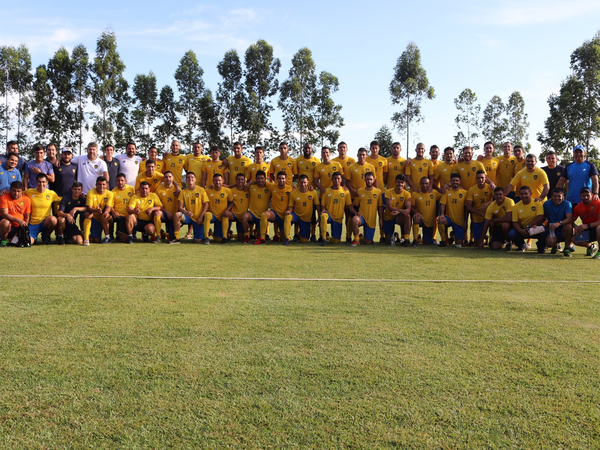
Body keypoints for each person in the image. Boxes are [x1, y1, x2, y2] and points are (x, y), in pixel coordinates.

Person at [255, 171, 293, 245]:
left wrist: (310, 188)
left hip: (284, 216)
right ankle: (262, 238)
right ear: (276, 179)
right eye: (279, 178)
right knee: (264, 215)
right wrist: (249, 183)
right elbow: (261, 181)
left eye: (283, 178)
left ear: (286, 179)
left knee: (282, 239)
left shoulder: (290, 189)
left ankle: (279, 235)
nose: (281, 180)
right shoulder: (272, 186)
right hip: (274, 214)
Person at [24, 173, 60, 244]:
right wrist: (6, 193)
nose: (41, 184)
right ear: (36, 182)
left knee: (53, 220)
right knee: (29, 242)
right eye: (39, 182)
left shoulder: (51, 193)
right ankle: (33, 238)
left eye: (43, 182)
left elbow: (62, 200)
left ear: (47, 182)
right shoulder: (29, 192)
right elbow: (18, 195)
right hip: (33, 223)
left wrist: (77, 196)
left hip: (45, 222)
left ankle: (46, 235)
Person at [283, 174, 320, 245]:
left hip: (306, 219)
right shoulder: (293, 193)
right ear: (298, 183)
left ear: (308, 182)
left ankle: (301, 234)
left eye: (304, 182)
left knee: (304, 241)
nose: (303, 184)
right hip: (296, 216)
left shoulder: (313, 192)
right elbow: (291, 206)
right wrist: (289, 211)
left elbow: (317, 205)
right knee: (288, 216)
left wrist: (319, 216)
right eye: (301, 182)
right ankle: (287, 239)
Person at [508, 186, 546, 253]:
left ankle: (541, 246)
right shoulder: (516, 206)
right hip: (522, 228)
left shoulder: (537, 203)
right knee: (512, 234)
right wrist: (521, 230)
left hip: (534, 227)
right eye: (522, 194)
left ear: (530, 194)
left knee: (545, 231)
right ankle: (521, 245)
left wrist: (529, 226)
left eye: (526, 193)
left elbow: (540, 216)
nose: (524, 196)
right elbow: (515, 221)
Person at [174, 172, 209, 244]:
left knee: (197, 241)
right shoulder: (183, 192)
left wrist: (201, 217)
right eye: (188, 177)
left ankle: (207, 232)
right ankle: (177, 238)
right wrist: (185, 212)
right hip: (188, 217)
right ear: (186, 180)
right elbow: (180, 207)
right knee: (177, 215)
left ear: (195, 179)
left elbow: (206, 204)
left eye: (192, 177)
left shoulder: (201, 190)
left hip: (198, 218)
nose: (190, 179)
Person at [319, 171, 352, 246]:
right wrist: (323, 210)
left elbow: (349, 205)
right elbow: (323, 205)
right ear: (332, 180)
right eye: (334, 178)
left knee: (336, 241)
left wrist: (355, 212)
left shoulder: (346, 191)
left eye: (338, 178)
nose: (336, 180)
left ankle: (328, 237)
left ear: (341, 180)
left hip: (338, 218)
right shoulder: (326, 191)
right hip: (329, 215)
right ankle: (323, 238)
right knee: (324, 216)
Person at [350, 172, 382, 246]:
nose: (369, 181)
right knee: (355, 219)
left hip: (371, 219)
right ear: (364, 180)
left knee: (368, 242)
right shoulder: (360, 191)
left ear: (373, 180)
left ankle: (361, 238)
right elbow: (354, 204)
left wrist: (380, 219)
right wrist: (354, 211)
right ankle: (356, 240)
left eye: (370, 179)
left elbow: (380, 207)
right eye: (367, 179)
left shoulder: (378, 192)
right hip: (362, 216)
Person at [82, 176, 115, 245]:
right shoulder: (90, 193)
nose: (101, 186)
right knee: (96, 240)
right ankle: (85, 238)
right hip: (94, 216)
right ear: (96, 184)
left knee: (105, 215)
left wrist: (106, 212)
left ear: (106, 185)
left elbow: (109, 207)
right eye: (99, 184)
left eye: (103, 184)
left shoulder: (110, 193)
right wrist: (96, 211)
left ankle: (107, 237)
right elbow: (88, 208)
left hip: (103, 216)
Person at [241, 170, 272, 244]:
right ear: (256, 179)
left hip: (262, 217)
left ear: (265, 178)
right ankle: (247, 236)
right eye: (258, 178)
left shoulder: (269, 188)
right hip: (252, 214)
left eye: (262, 178)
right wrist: (250, 183)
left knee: (259, 236)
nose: (260, 180)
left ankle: (256, 233)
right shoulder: (251, 187)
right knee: (244, 217)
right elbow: (239, 184)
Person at [439, 173, 468, 248]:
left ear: (460, 182)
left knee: (459, 245)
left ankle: (453, 236)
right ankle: (443, 240)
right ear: (451, 182)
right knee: (440, 220)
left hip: (459, 222)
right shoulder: (447, 191)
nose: (455, 182)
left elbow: (466, 208)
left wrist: (465, 221)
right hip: (449, 218)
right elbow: (442, 204)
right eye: (453, 180)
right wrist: (442, 214)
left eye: (457, 181)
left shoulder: (464, 193)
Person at [410, 176, 441, 246]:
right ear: (419, 184)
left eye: (426, 183)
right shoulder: (415, 194)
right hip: (421, 219)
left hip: (430, 222)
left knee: (427, 243)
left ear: (429, 184)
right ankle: (415, 240)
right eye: (423, 183)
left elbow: (444, 197)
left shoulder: (434, 193)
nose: (424, 185)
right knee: (416, 218)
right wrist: (415, 212)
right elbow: (411, 207)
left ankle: (420, 237)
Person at [466, 170, 494, 248]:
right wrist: (481, 213)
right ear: (476, 179)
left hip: (490, 216)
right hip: (477, 217)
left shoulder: (490, 187)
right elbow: (468, 207)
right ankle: (484, 238)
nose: (480, 180)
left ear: (486, 178)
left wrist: (488, 203)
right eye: (478, 178)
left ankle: (492, 240)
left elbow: (499, 200)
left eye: (482, 178)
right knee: (478, 244)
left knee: (493, 225)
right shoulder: (472, 190)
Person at [543, 188, 574, 257]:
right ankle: (555, 246)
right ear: (551, 196)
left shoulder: (567, 204)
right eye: (555, 196)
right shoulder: (547, 204)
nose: (557, 198)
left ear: (563, 196)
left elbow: (569, 218)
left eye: (559, 196)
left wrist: (559, 223)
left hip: (563, 229)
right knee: (549, 242)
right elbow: (543, 217)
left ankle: (566, 248)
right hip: (552, 230)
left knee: (569, 226)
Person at [203, 173, 233, 244]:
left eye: (219, 180)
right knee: (207, 215)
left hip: (222, 216)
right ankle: (206, 237)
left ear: (222, 181)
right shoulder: (208, 190)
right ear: (213, 181)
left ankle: (224, 237)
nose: (217, 182)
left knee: (218, 240)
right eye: (216, 180)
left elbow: (232, 202)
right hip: (212, 215)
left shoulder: (227, 191)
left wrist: (227, 210)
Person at [383, 174, 412, 246]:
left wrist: (398, 212)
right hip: (389, 217)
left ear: (404, 183)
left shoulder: (407, 194)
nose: (400, 184)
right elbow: (389, 207)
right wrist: (401, 211)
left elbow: (408, 209)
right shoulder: (388, 192)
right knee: (388, 242)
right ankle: (396, 237)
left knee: (407, 216)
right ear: (395, 182)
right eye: (398, 182)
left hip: (399, 216)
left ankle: (406, 239)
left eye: (402, 182)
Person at [572, 187, 600, 259]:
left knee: (599, 228)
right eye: (583, 195)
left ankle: (599, 252)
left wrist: (588, 225)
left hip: (597, 228)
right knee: (574, 239)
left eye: (588, 195)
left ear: (592, 195)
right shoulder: (578, 207)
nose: (586, 197)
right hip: (588, 230)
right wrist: (576, 226)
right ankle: (591, 246)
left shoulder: (598, 203)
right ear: (580, 196)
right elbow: (570, 220)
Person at [0, 181, 31, 247]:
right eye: (14, 191)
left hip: (18, 227)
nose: (16, 193)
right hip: (7, 225)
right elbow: (4, 214)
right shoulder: (4, 197)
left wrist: (24, 229)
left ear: (22, 191)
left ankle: (13, 238)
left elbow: (27, 217)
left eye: (18, 191)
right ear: (10, 190)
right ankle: (4, 241)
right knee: (5, 223)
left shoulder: (26, 199)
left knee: (26, 242)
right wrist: (18, 220)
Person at [155, 171, 180, 242]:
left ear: (173, 178)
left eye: (169, 177)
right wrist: (167, 212)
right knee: (157, 213)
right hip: (165, 214)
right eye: (166, 177)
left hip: (174, 216)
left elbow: (181, 203)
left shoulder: (177, 189)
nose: (168, 179)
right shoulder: (159, 190)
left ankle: (164, 234)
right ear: (164, 178)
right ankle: (158, 236)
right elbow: (158, 205)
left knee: (171, 237)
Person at [111, 173, 136, 242]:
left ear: (125, 181)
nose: (120, 182)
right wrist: (113, 212)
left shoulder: (131, 189)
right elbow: (110, 205)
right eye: (118, 181)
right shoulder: (113, 191)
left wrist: (134, 212)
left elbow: (136, 199)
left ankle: (133, 234)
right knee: (123, 239)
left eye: (122, 180)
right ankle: (111, 235)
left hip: (129, 215)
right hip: (119, 216)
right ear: (115, 181)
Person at [230, 173, 250, 241]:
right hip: (234, 214)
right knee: (226, 215)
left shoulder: (248, 189)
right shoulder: (231, 190)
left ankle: (231, 235)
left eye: (242, 179)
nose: (240, 181)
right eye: (238, 179)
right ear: (236, 180)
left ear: (245, 180)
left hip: (243, 216)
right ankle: (225, 234)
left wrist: (249, 183)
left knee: (241, 239)